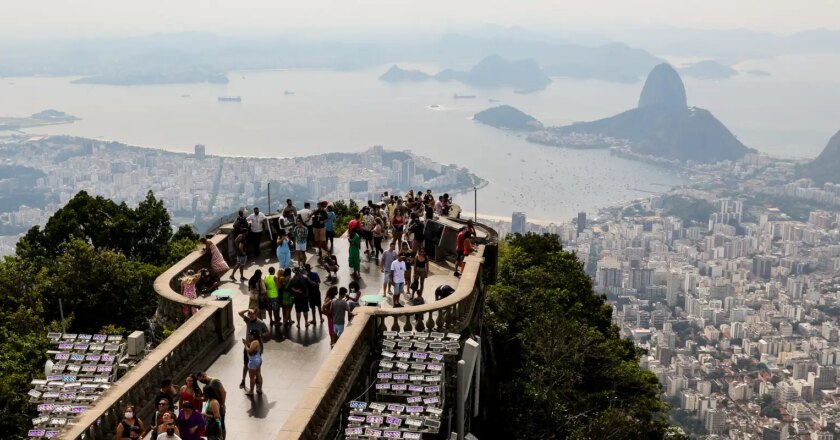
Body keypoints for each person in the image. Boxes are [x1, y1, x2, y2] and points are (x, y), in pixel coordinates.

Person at [237, 308, 269, 389]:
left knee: (257, 368)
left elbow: (267, 332)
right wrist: (247, 309)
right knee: (245, 365)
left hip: (256, 347)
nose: (251, 317)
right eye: (250, 316)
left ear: (256, 315)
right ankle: (243, 380)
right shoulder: (248, 320)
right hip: (248, 344)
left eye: (252, 316)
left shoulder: (260, 323)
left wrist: (260, 336)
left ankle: (258, 384)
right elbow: (240, 313)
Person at [243, 328, 264, 396]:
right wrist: (247, 343)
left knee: (252, 377)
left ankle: (251, 391)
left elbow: (249, 351)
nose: (250, 336)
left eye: (251, 335)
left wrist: (245, 345)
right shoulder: (258, 341)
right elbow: (252, 347)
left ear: (253, 335)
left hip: (253, 362)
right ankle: (259, 388)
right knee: (258, 374)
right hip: (258, 360)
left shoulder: (255, 342)